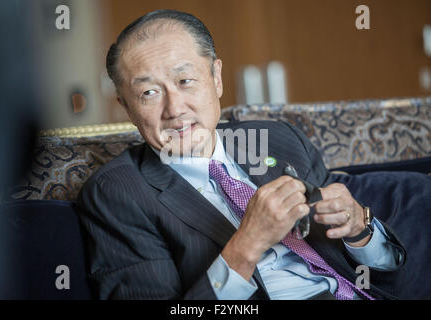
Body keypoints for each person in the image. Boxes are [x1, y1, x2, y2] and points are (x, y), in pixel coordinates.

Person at [76, 9, 408, 300]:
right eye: (149, 92)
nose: (175, 109)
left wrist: (359, 230)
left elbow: (389, 268)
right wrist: (248, 243)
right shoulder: (117, 192)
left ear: (216, 78)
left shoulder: (277, 139)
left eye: (185, 80)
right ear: (127, 107)